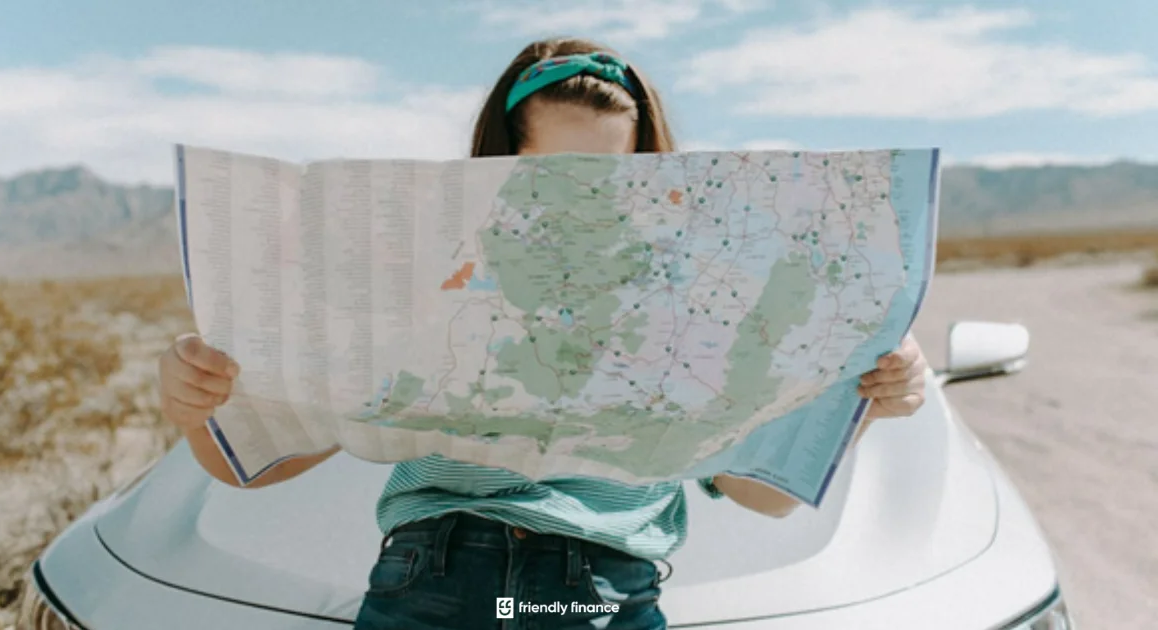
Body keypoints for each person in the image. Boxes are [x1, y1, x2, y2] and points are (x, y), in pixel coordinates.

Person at [157, 37, 929, 630]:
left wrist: (861, 405)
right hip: (433, 578)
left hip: (603, 595)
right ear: (497, 163)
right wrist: (200, 408)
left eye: (606, 177)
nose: (573, 200)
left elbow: (760, 496)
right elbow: (256, 466)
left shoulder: (700, 291)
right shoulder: (427, 273)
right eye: (545, 173)